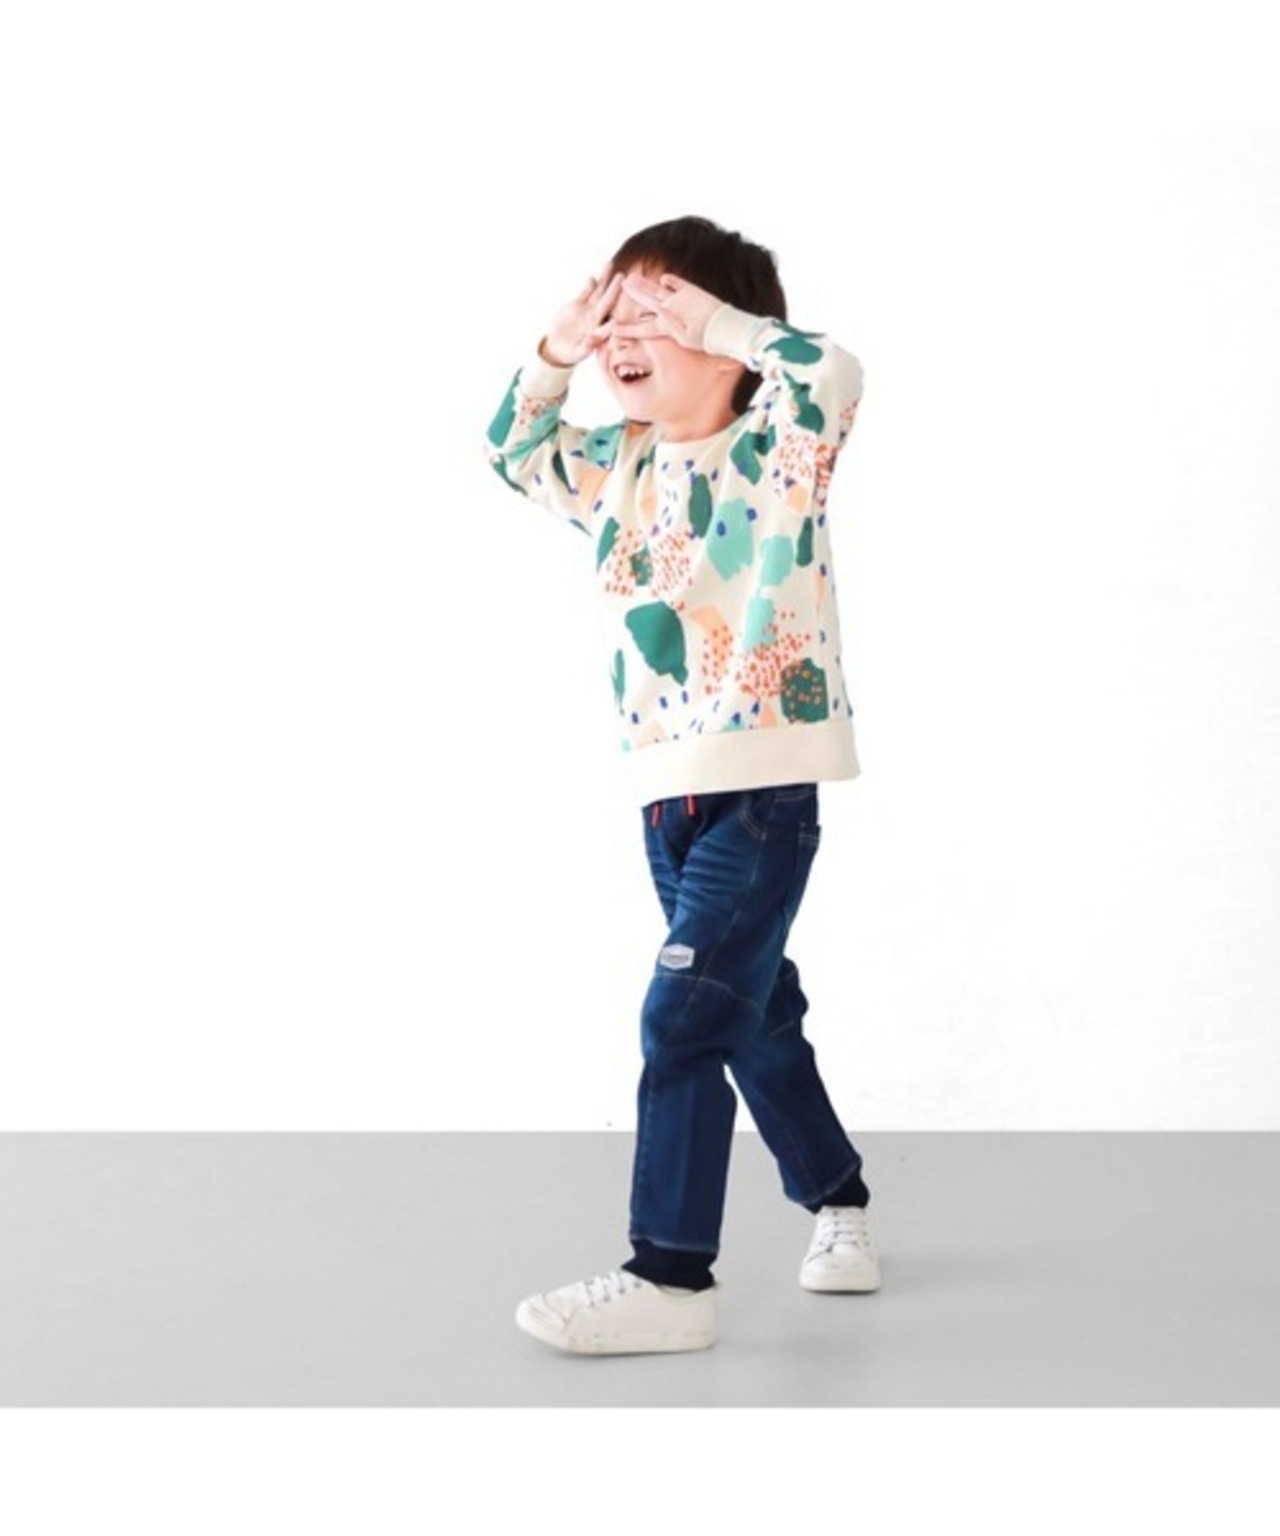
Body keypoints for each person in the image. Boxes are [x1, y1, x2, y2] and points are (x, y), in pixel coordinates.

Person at [482, 215, 879, 1355]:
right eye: (614, 315)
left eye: (656, 314)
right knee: (750, 1014)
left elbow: (832, 371)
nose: (625, 336)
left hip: (762, 790)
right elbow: (512, 449)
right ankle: (840, 1197)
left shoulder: (781, 450)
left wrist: (724, 322)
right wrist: (558, 349)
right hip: (664, 796)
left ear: (726, 336)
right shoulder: (617, 467)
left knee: (684, 1012)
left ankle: (670, 1277)